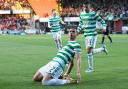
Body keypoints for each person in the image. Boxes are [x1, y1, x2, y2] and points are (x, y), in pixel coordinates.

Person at [77, 3, 108, 73]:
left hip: (92, 35)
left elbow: (102, 21)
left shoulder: (93, 14)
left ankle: (90, 68)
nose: (85, 8)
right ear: (83, 7)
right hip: (86, 35)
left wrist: (104, 27)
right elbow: (80, 24)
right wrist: (77, 31)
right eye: (84, 7)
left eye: (87, 7)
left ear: (90, 7)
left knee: (88, 50)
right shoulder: (82, 14)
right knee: (90, 51)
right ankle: (102, 49)